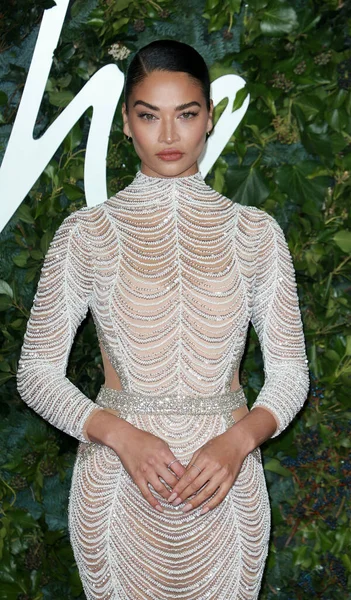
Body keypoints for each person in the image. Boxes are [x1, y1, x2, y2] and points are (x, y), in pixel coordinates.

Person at [16, 39, 310, 599]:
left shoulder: (255, 233)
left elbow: (291, 373)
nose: (169, 136)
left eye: (186, 114)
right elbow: (36, 373)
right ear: (126, 122)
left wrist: (239, 440)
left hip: (226, 484)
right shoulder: (86, 233)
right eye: (150, 116)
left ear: (209, 118)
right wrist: (121, 436)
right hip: (117, 490)